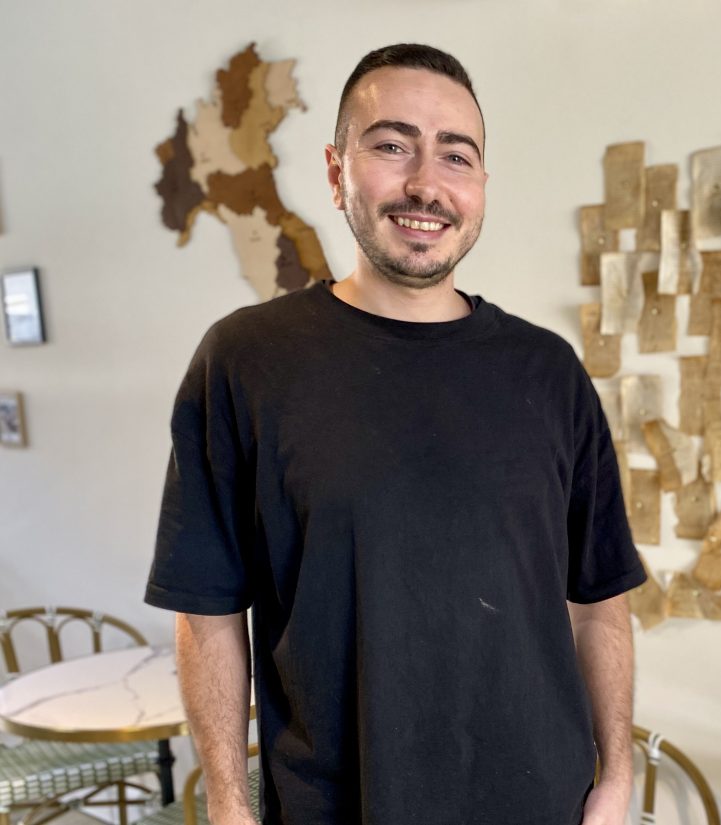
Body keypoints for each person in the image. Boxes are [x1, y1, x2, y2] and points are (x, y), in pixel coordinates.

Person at [145, 43, 646, 825]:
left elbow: (599, 600)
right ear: (337, 169)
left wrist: (616, 778)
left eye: (457, 155)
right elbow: (207, 613)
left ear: (480, 185)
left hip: (544, 806)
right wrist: (230, 806)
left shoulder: (548, 371)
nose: (426, 183)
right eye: (392, 144)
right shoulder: (246, 362)